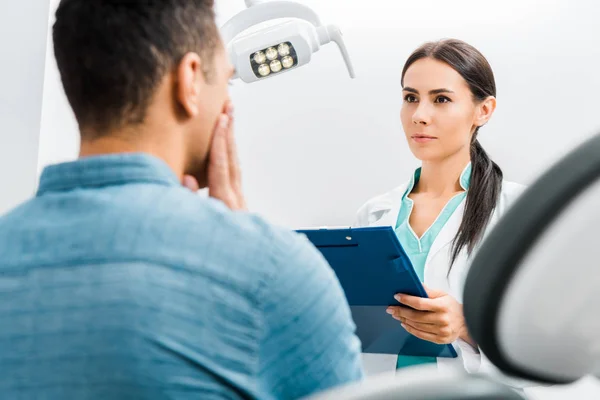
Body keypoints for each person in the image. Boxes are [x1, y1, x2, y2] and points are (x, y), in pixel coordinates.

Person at [0, 1, 364, 399]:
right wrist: (245, 247)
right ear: (189, 81)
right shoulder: (276, 273)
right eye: (225, 79)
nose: (227, 101)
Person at [354, 39, 527, 379]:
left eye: (441, 99)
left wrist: (466, 324)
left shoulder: (518, 212)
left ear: (484, 110)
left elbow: (546, 335)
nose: (419, 116)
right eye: (410, 98)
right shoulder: (373, 214)